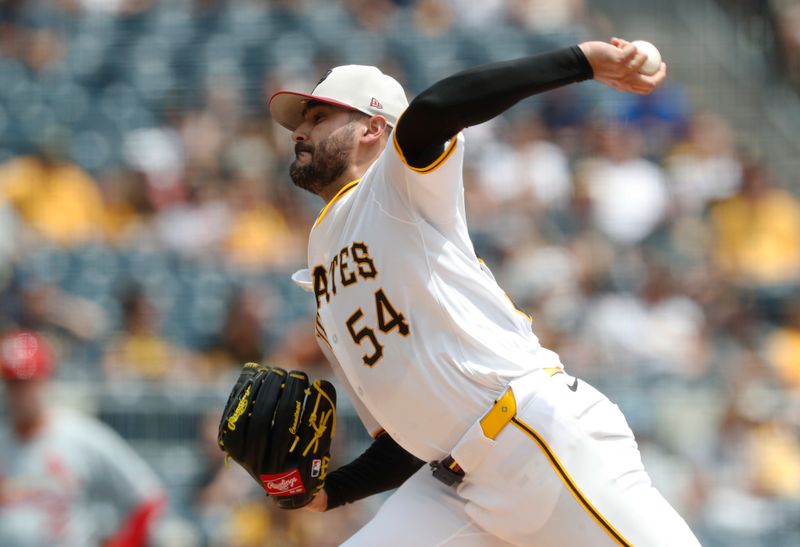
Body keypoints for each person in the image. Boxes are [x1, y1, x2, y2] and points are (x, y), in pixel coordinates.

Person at [267, 38, 701, 545]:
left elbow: (436, 109)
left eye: (318, 118)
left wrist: (581, 62)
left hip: (534, 438)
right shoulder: (320, 277)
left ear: (373, 127)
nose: (298, 131)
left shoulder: (395, 185)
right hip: (455, 488)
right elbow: (403, 442)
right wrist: (329, 493)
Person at [0, 330, 165, 547]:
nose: (20, 393)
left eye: (27, 382)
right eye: (13, 384)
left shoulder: (80, 436)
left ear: (45, 380)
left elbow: (148, 496)